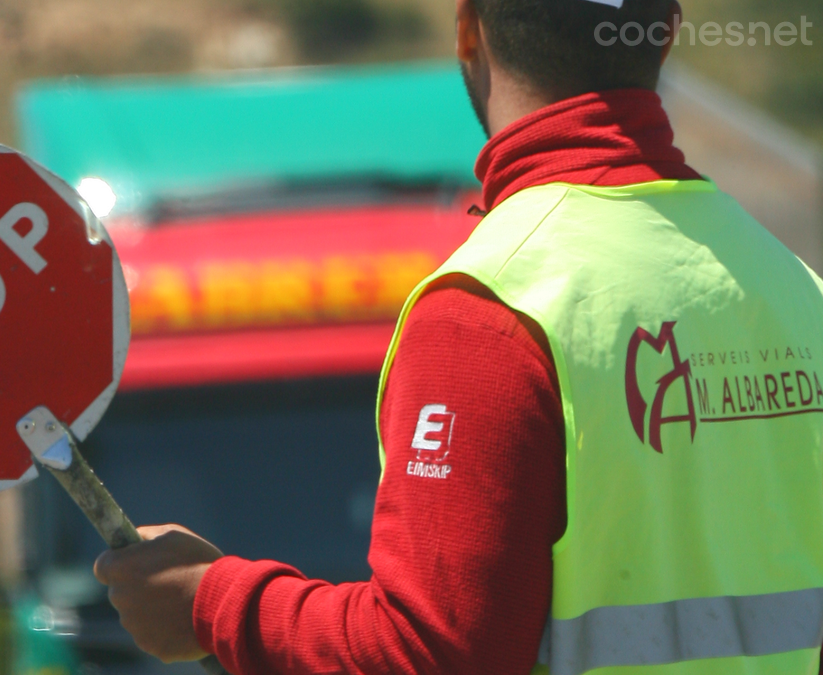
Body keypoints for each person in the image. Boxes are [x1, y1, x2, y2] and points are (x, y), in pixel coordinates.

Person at [93, 0, 823, 672]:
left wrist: (212, 603)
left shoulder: (493, 310)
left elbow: (432, 652)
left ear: (468, 31)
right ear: (665, 32)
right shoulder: (796, 289)